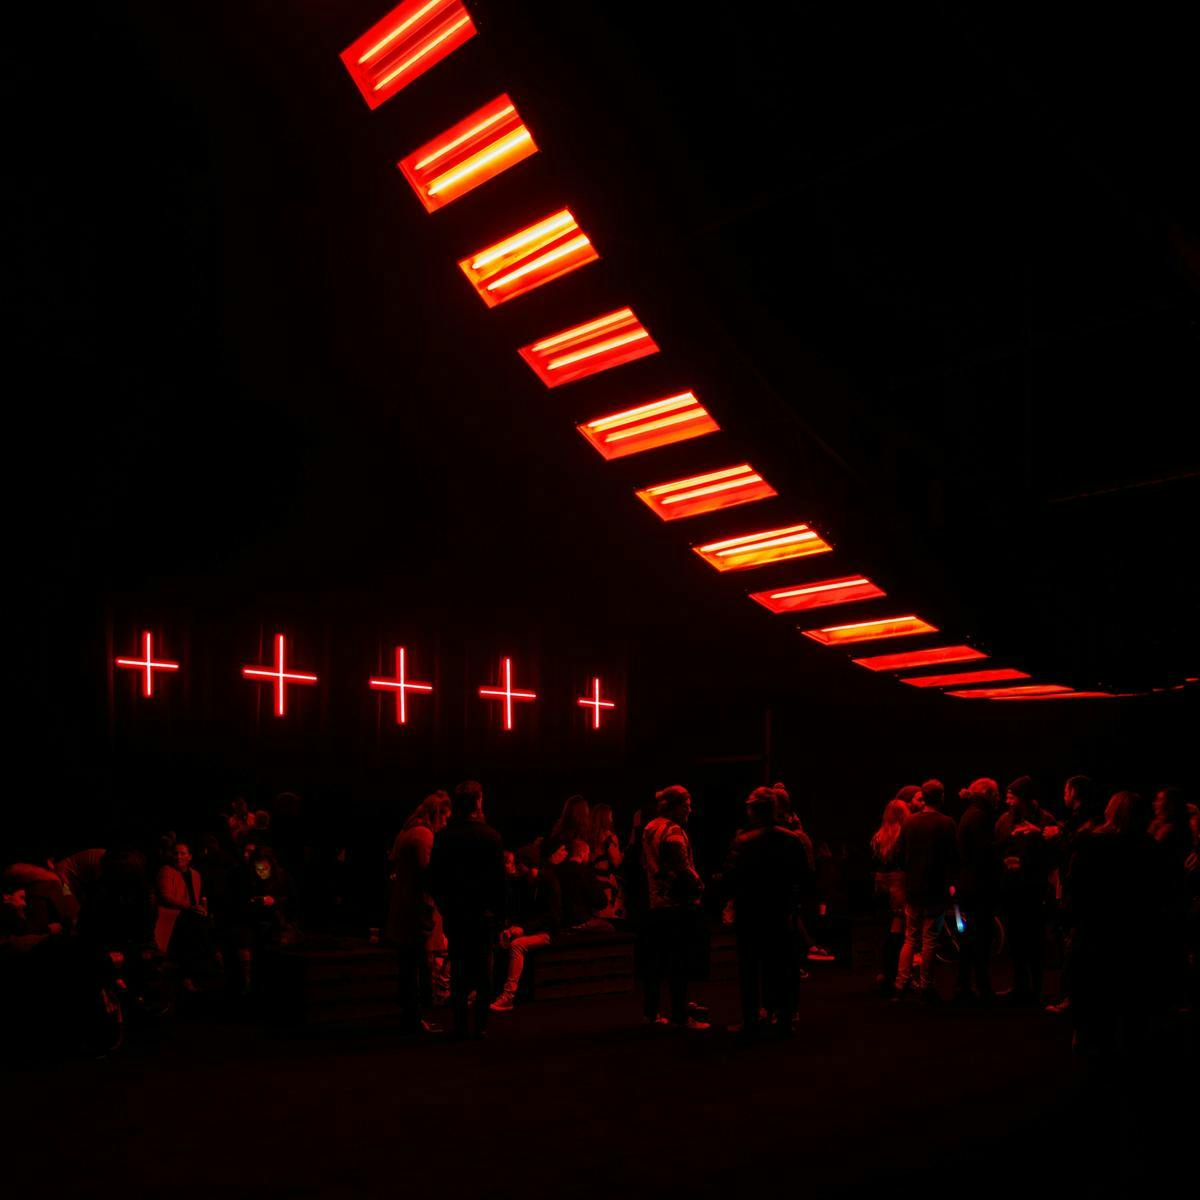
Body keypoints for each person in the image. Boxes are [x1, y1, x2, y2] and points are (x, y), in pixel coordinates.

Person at [723, 787, 809, 1037]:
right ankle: (785, 1017)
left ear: (752, 811)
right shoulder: (791, 839)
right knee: (783, 964)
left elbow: (730, 878)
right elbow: (803, 877)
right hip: (781, 910)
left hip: (750, 911)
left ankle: (751, 1020)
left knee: (750, 968)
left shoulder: (743, 841)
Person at [429, 780, 505, 1039]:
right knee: (484, 974)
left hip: (457, 914)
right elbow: (498, 881)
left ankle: (460, 1026)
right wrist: (499, 914)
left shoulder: (444, 837)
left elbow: (434, 879)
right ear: (478, 802)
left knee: (459, 973)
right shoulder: (491, 837)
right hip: (483, 916)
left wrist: (446, 907)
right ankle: (480, 1026)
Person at [640, 785, 709, 1030]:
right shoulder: (673, 831)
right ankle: (680, 1016)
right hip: (675, 905)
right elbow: (681, 867)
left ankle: (651, 1013)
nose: (689, 811)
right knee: (678, 962)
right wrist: (698, 884)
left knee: (656, 964)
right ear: (676, 806)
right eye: (686, 806)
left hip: (654, 903)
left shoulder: (650, 827)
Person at [384, 791, 449, 1035]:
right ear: (437, 814)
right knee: (417, 967)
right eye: (445, 817)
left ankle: (410, 1017)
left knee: (408, 966)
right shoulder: (424, 835)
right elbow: (427, 875)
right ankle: (415, 1018)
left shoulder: (407, 831)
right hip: (417, 912)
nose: (446, 824)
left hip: (404, 908)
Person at [994, 776, 1057, 1004]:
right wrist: (1006, 858)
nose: (1008, 802)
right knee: (1015, 938)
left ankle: (1037, 988)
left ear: (1024, 798)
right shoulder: (1005, 820)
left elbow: (1054, 852)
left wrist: (1030, 857)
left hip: (1035, 888)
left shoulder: (1045, 819)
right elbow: (996, 847)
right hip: (1012, 888)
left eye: (1012, 797)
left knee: (1035, 939)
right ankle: (1020, 986)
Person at [892, 783, 957, 1002]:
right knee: (930, 939)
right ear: (941, 797)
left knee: (910, 938)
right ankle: (927, 986)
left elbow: (899, 854)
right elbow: (952, 857)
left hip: (914, 888)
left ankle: (900, 984)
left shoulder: (910, 822)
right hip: (936, 890)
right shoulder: (947, 823)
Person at [490, 842, 567, 1013]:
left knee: (517, 945)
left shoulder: (548, 881)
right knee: (503, 941)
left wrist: (523, 929)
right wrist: (511, 928)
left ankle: (508, 996)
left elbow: (552, 917)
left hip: (548, 932)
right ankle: (490, 991)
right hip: (532, 930)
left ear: (528, 864)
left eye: (519, 863)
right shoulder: (524, 883)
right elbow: (520, 912)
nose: (516, 867)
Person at [954, 778, 1002, 1005]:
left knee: (970, 937)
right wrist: (1006, 845)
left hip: (968, 884)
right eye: (997, 794)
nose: (1000, 799)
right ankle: (980, 988)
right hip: (978, 886)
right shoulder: (979, 816)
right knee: (980, 938)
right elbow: (984, 853)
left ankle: (965, 987)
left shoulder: (970, 813)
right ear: (988, 794)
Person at [154, 841, 214, 991]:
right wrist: (190, 907)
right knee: (194, 928)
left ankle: (201, 967)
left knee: (202, 922)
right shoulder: (166, 871)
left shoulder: (195, 874)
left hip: (190, 913)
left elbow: (198, 897)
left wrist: (201, 908)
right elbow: (166, 896)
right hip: (173, 914)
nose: (178, 856)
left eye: (182, 853)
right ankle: (189, 974)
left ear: (190, 856)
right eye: (176, 853)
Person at [870, 794, 911, 996]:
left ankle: (884, 971)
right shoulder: (902, 836)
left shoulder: (879, 836)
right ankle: (893, 972)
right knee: (899, 928)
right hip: (897, 881)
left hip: (880, 881)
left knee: (885, 927)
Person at [588, 804, 625, 919]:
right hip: (605, 882)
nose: (612, 820)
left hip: (591, 880)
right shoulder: (609, 837)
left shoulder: (588, 836)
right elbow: (616, 861)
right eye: (610, 816)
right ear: (605, 818)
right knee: (608, 915)